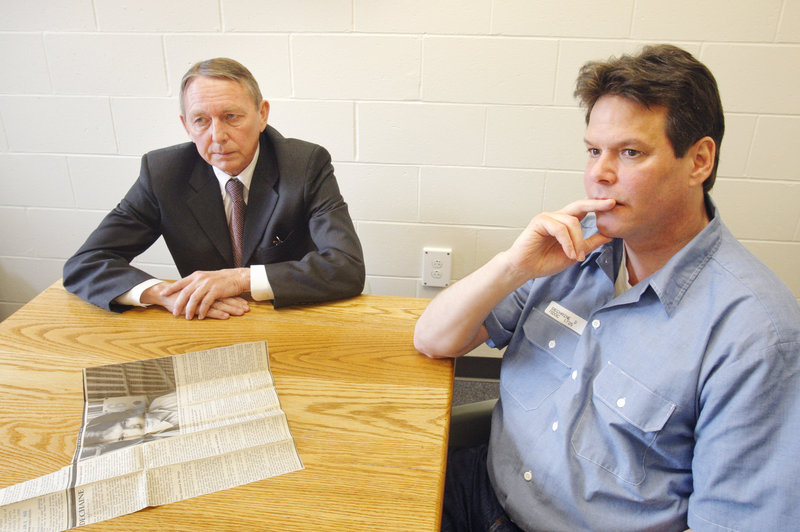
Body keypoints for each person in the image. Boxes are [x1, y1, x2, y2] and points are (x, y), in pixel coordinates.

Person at [414, 44, 800, 531]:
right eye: (594, 151)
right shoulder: (571, 247)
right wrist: (514, 266)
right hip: (481, 487)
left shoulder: (756, 334)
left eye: (630, 152)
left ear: (699, 161)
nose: (599, 174)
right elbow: (433, 339)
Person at [63, 58, 365, 320]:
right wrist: (165, 294)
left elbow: (347, 268)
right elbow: (85, 264)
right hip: (208, 321)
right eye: (201, 121)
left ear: (262, 114)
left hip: (290, 319)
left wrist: (241, 279)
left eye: (231, 117)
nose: (217, 136)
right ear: (186, 126)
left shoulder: (304, 165)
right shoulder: (163, 174)